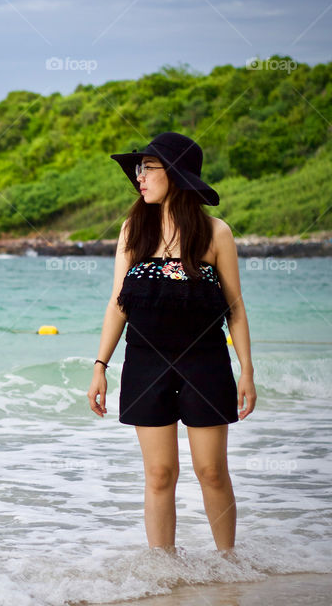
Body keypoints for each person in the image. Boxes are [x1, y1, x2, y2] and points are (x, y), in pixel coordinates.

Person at [86, 131, 257, 554]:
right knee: (160, 473)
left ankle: (228, 565)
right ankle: (164, 574)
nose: (139, 177)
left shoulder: (216, 234)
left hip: (206, 364)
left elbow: (234, 308)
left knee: (211, 470)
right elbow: (117, 304)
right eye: (138, 169)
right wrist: (99, 366)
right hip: (146, 365)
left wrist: (247, 370)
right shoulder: (133, 230)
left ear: (176, 174)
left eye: (148, 168)